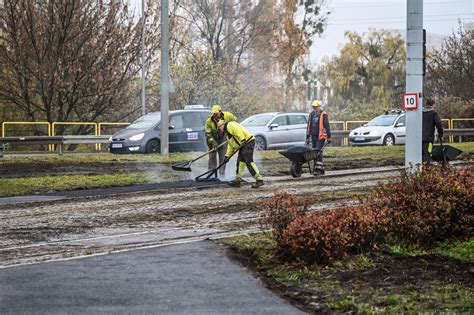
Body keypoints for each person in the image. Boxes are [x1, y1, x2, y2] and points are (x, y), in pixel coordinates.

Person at [217, 120, 264, 188]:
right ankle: (237, 181)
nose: (219, 130)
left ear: (222, 125)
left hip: (248, 141)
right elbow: (231, 146)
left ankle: (259, 180)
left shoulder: (229, 125)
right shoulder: (228, 135)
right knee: (240, 162)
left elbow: (238, 131)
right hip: (243, 144)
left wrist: (242, 140)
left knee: (248, 161)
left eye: (219, 128)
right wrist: (227, 156)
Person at [204, 105, 238, 175]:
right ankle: (211, 173)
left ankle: (221, 174)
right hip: (213, 139)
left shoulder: (228, 116)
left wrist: (234, 134)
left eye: (216, 114)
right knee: (212, 157)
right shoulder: (209, 121)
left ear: (220, 112)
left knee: (223, 157)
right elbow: (208, 134)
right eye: (213, 114)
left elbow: (236, 124)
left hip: (223, 138)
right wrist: (213, 142)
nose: (214, 115)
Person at [306, 100, 331, 175]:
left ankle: (319, 169)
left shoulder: (323, 114)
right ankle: (318, 168)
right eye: (313, 107)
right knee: (314, 152)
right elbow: (309, 125)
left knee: (318, 152)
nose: (315, 109)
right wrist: (307, 135)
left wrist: (329, 136)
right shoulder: (312, 114)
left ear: (319, 107)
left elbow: (327, 125)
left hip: (321, 136)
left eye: (316, 107)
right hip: (313, 136)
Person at [422, 98, 444, 163]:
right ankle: (427, 168)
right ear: (432, 105)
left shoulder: (421, 113)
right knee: (428, 152)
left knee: (422, 154)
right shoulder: (434, 113)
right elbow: (438, 123)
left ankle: (421, 168)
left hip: (419, 138)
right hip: (429, 139)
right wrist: (441, 133)